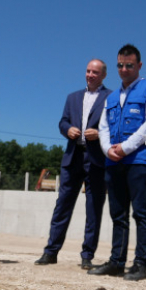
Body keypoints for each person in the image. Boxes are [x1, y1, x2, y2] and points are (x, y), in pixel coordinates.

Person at [88, 44, 146, 281]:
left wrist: (126, 147)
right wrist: (108, 149)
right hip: (113, 161)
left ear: (139, 66)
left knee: (141, 212)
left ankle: (141, 263)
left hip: (139, 160)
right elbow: (103, 127)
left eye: (129, 65)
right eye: (120, 64)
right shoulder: (110, 97)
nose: (124, 69)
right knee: (117, 213)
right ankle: (117, 261)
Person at [34, 59, 109, 269]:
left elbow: (116, 126)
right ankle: (51, 252)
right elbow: (63, 121)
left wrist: (101, 133)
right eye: (88, 71)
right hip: (72, 156)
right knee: (63, 205)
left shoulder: (111, 97)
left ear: (103, 75)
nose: (90, 75)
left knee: (93, 208)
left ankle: (87, 255)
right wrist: (67, 130)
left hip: (96, 159)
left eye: (95, 72)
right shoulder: (73, 97)